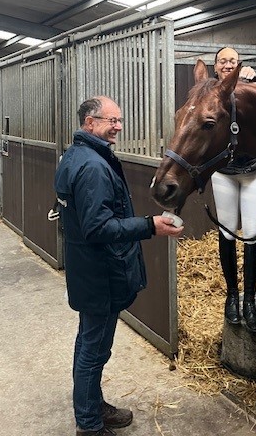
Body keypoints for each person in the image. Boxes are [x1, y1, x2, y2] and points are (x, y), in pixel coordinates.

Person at [54, 95, 183, 436]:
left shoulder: (77, 156)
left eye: (119, 120)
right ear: (89, 123)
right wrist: (149, 225)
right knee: (94, 350)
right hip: (100, 272)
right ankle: (89, 425)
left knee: (89, 343)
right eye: (111, 120)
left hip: (90, 269)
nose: (119, 126)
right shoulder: (93, 167)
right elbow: (98, 228)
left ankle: (93, 406)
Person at [211, 47, 256, 333]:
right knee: (226, 232)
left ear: (239, 66)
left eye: (232, 61)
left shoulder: (249, 84)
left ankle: (250, 300)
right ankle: (231, 296)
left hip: (252, 172)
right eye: (222, 61)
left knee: (252, 234)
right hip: (223, 173)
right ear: (215, 67)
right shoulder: (209, 93)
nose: (227, 64)